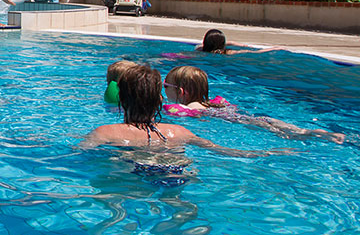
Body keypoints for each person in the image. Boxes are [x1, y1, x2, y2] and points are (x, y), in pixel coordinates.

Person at [80, 64, 275, 160]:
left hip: (128, 171)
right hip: (173, 171)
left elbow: (79, 156)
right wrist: (267, 153)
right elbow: (226, 151)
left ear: (121, 100)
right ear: (159, 101)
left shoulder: (105, 132)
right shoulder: (180, 131)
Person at [163, 65, 343, 143]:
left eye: (166, 86)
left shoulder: (191, 108)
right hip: (247, 117)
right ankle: (317, 132)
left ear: (181, 92)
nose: (164, 90)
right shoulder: (213, 104)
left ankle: (310, 135)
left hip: (237, 122)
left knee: (281, 134)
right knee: (280, 126)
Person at [196, 28, 280, 55]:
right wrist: (274, 48)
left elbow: (229, 43)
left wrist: (241, 45)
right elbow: (252, 52)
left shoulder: (200, 49)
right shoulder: (227, 53)